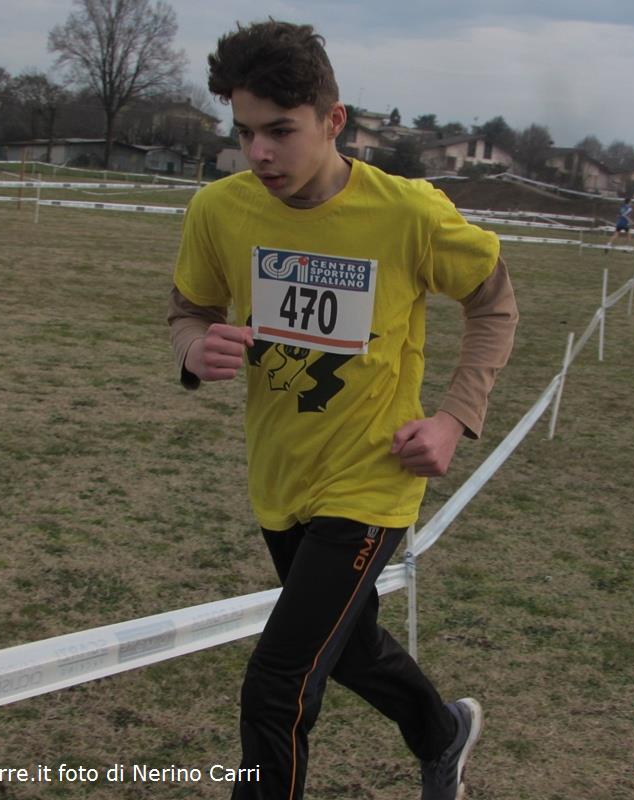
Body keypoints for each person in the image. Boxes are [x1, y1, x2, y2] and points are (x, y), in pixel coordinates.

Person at [167, 20, 518, 800]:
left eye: (280, 131)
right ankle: (442, 733)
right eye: (244, 132)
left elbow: (494, 304)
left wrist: (453, 418)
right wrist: (193, 349)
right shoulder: (219, 211)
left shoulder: (407, 213)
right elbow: (188, 311)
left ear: (333, 121)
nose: (259, 153)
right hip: (280, 477)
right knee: (350, 646)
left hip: (371, 478)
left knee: (277, 684)